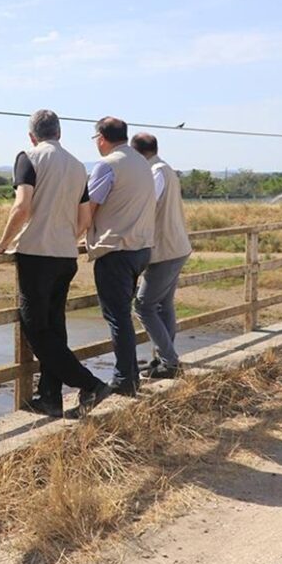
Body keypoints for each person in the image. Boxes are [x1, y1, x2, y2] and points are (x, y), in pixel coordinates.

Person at [0, 109, 111, 418]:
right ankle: (50, 397)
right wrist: (67, 236)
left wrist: (3, 244)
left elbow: (22, 206)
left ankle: (91, 384)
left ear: (32, 136)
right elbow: (85, 218)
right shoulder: (78, 166)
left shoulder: (28, 157)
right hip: (66, 256)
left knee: (36, 329)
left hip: (36, 255)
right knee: (55, 327)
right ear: (59, 134)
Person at [86, 117, 156, 396]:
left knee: (117, 317)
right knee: (123, 314)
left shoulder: (107, 164)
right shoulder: (141, 163)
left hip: (116, 249)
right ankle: (131, 376)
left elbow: (89, 207)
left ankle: (124, 378)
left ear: (102, 137)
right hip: (141, 248)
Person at [130, 133, 191, 379]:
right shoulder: (166, 169)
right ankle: (164, 359)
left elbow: (146, 206)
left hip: (164, 249)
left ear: (137, 154)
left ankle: (169, 362)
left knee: (143, 306)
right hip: (177, 247)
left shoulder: (154, 172)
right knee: (163, 305)